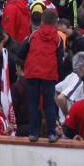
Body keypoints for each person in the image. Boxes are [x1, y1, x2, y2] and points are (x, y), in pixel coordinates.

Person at [22, 9, 64, 142]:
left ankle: (34, 133)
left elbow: (21, 52)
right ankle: (51, 134)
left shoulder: (33, 36)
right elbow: (59, 58)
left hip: (33, 72)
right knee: (49, 104)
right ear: (56, 22)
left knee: (33, 103)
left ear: (41, 21)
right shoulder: (58, 38)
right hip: (49, 73)